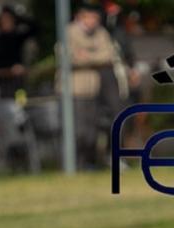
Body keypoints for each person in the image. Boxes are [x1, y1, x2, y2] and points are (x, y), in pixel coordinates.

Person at [64, 4, 123, 169]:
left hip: (93, 88)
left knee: (92, 131)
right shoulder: (69, 32)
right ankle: (74, 164)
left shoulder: (101, 33)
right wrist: (94, 57)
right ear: (81, 17)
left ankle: (88, 163)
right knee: (79, 130)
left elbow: (108, 55)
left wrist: (86, 55)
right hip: (76, 89)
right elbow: (72, 58)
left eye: (96, 18)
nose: (94, 22)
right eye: (91, 18)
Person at [0, 6, 37, 101]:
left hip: (17, 82)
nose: (7, 22)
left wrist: (19, 18)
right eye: (4, 19)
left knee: (20, 104)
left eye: (10, 19)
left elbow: (35, 28)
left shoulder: (17, 37)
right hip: (1, 83)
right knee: (4, 106)